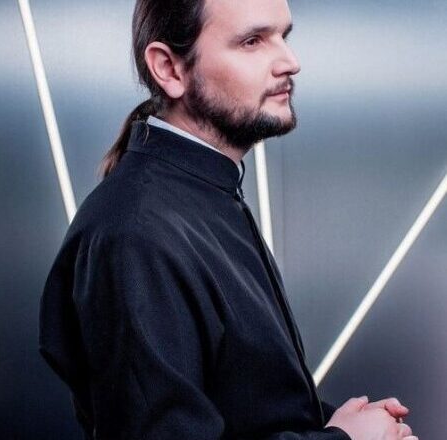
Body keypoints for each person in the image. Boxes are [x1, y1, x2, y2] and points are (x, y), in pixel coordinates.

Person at [39, 0, 418, 439]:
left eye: (283, 36)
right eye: (252, 41)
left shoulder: (206, 192)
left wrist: (353, 425)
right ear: (169, 69)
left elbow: (249, 406)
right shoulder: (135, 234)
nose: (290, 62)